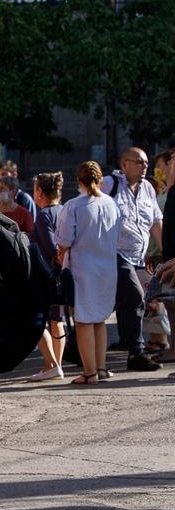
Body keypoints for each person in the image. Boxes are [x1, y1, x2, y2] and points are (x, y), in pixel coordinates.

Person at [55, 161, 120, 385]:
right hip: (107, 268)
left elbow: (64, 240)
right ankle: (100, 367)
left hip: (83, 268)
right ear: (100, 179)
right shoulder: (111, 203)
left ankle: (90, 372)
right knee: (99, 319)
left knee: (83, 320)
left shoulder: (74, 206)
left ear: (79, 181)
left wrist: (60, 255)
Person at [102, 148, 163, 372]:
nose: (144, 166)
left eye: (146, 162)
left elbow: (155, 221)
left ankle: (77, 348)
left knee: (128, 301)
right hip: (114, 253)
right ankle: (135, 352)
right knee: (134, 296)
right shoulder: (109, 184)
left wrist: (168, 251)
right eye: (139, 162)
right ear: (124, 164)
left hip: (138, 257)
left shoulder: (148, 188)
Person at [28, 172, 66, 381]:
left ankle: (51, 363)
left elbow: (52, 248)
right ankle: (55, 365)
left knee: (40, 321)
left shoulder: (44, 215)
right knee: (57, 320)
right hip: (62, 274)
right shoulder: (64, 210)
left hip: (47, 275)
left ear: (40, 191)